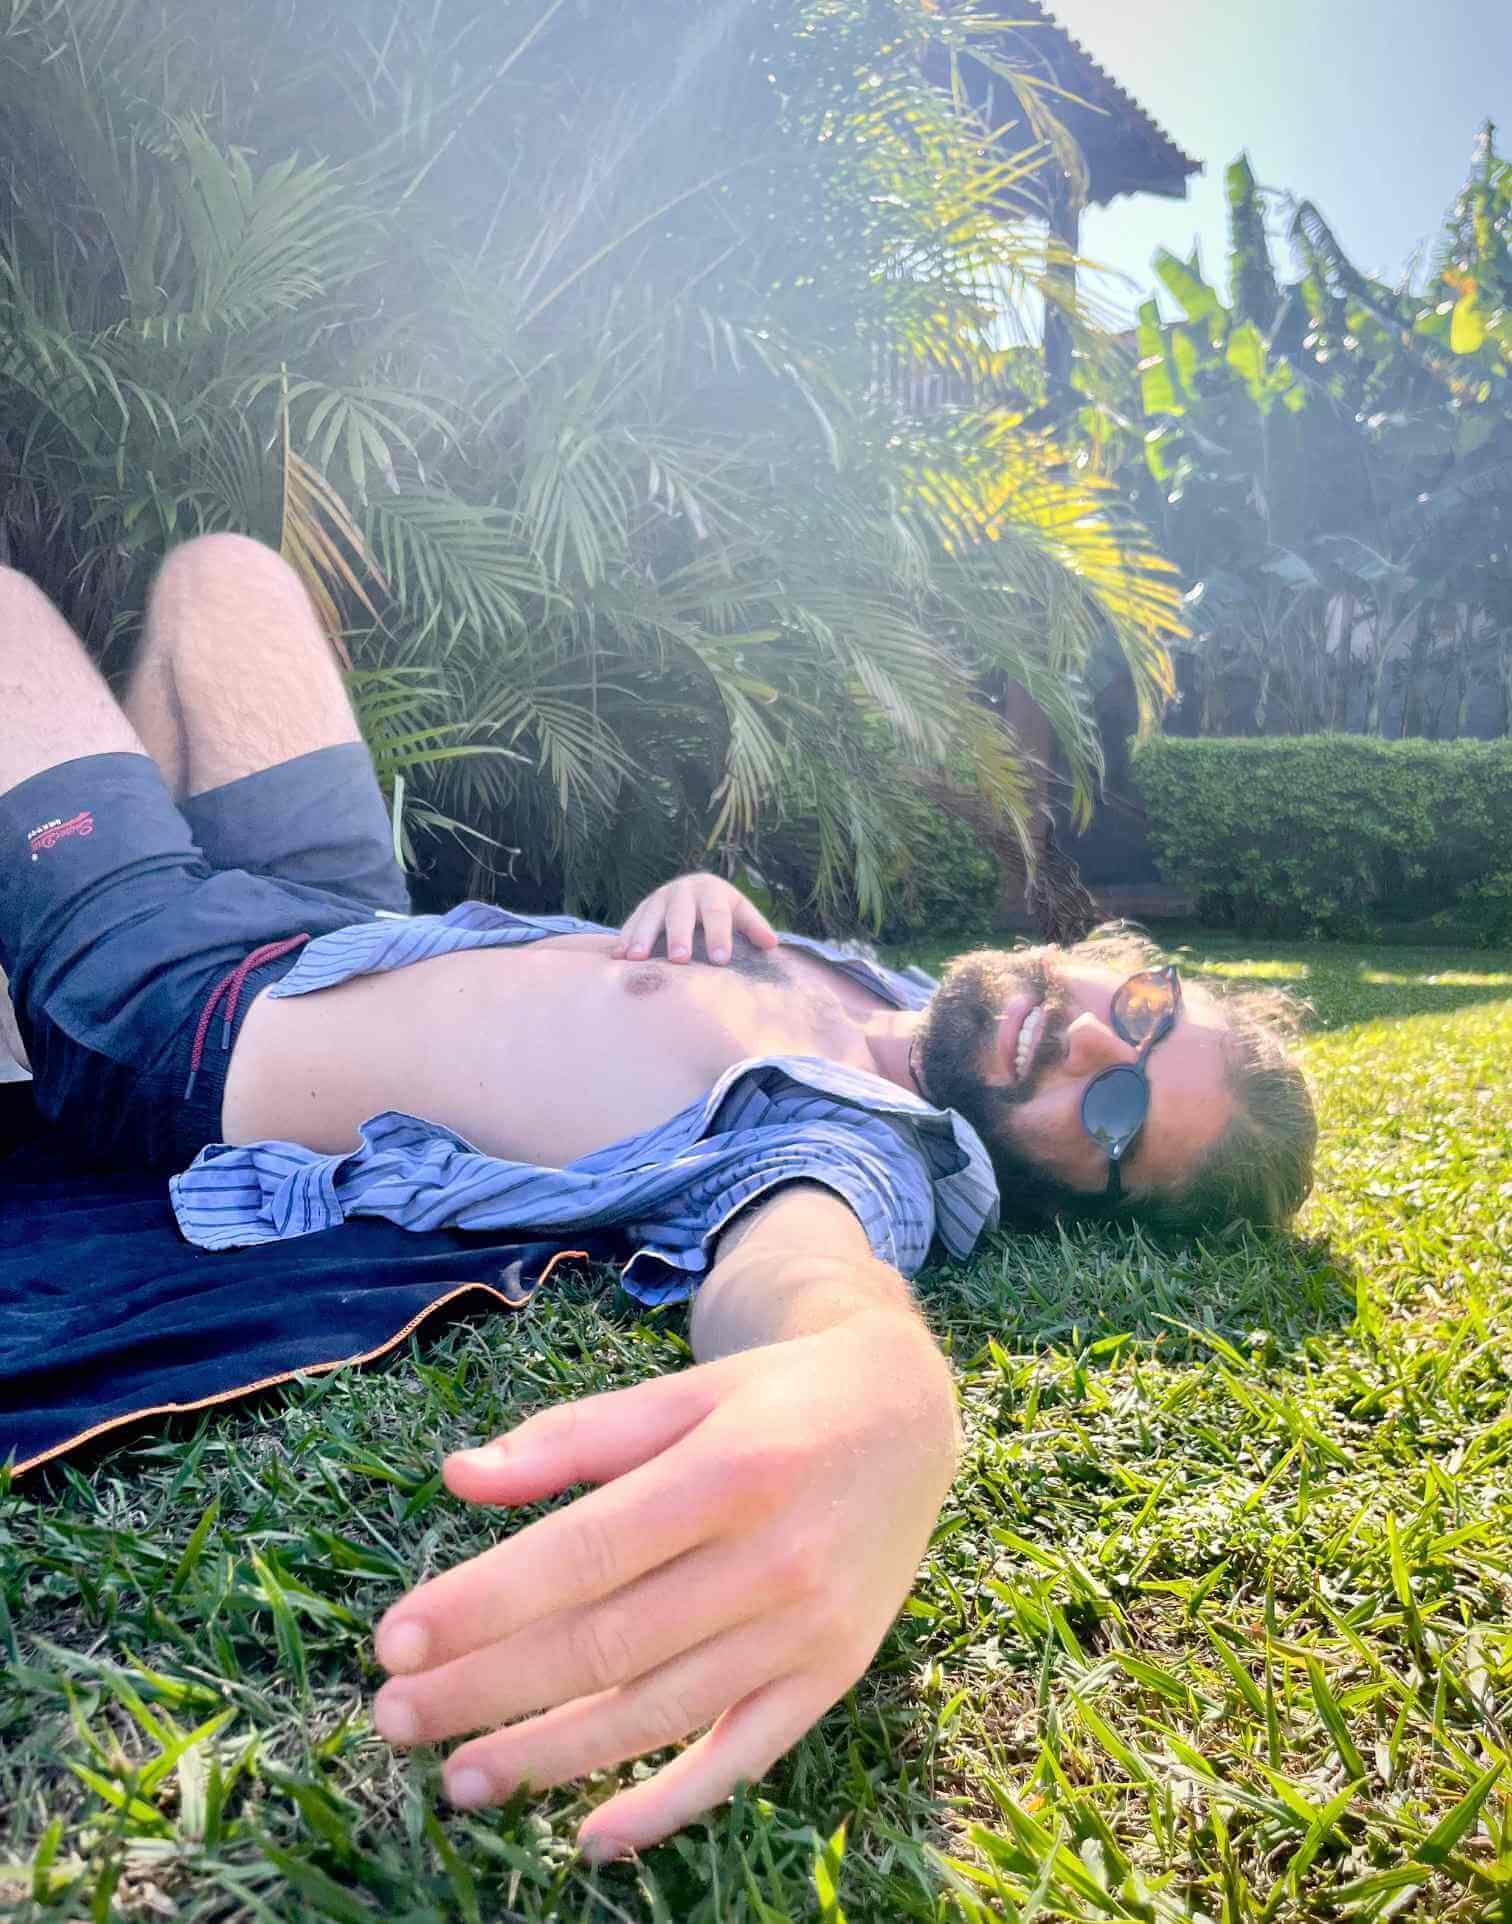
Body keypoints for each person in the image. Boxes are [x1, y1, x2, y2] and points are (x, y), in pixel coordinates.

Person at [0, 534, 1315, 1863]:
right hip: (343, 921)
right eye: (1145, 1012)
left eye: (1116, 1117)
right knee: (226, 580)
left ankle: (58, 935)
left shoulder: (865, 1138)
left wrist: (875, 1385)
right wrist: (699, 903)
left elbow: (805, 1254)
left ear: (1074, 1200)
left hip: (185, 1014)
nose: (1092, 1048)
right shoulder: (893, 998)